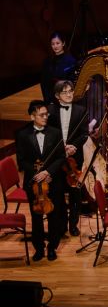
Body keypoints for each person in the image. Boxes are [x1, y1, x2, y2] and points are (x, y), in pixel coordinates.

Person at [16, 100, 66, 261]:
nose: (45, 117)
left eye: (46, 114)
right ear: (32, 116)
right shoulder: (22, 134)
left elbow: (61, 157)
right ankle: (38, 248)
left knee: (53, 216)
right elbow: (21, 161)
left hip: (53, 180)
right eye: (42, 115)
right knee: (36, 216)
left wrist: (48, 172)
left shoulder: (55, 133)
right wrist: (36, 173)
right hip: (33, 182)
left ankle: (52, 247)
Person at [48, 80, 94, 238]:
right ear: (57, 96)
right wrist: (61, 148)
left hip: (75, 157)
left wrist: (73, 146)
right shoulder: (50, 111)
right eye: (64, 92)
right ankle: (61, 225)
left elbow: (84, 134)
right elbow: (48, 134)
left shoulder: (81, 110)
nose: (69, 95)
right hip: (56, 158)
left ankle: (73, 225)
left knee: (75, 193)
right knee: (58, 192)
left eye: (70, 91)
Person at [40, 32, 78, 104]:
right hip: (51, 97)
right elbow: (44, 83)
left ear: (63, 43)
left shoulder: (71, 60)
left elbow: (72, 81)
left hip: (66, 96)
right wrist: (48, 100)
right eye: (53, 44)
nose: (55, 46)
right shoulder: (47, 61)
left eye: (58, 43)